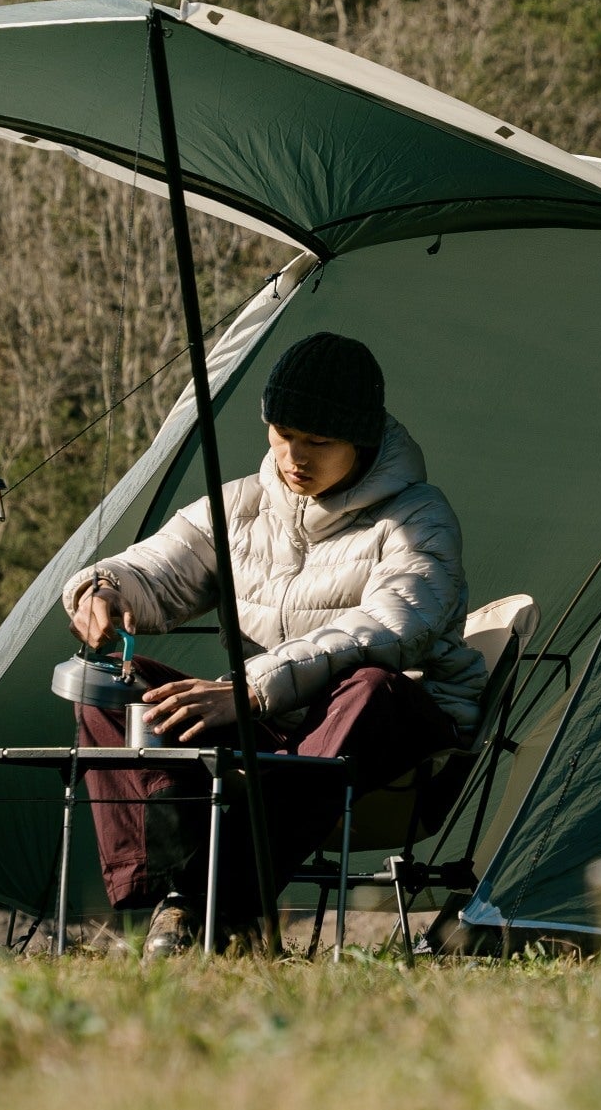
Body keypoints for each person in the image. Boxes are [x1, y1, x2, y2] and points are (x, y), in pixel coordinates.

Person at [62, 331, 482, 953]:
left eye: (319, 441)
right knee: (111, 689)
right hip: (277, 737)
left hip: (393, 741)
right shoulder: (241, 506)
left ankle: (222, 908)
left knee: (372, 688)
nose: (294, 456)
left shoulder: (419, 518)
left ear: (363, 439)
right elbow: (155, 567)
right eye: (283, 434)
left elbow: (395, 627)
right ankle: (174, 903)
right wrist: (102, 588)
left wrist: (250, 689)